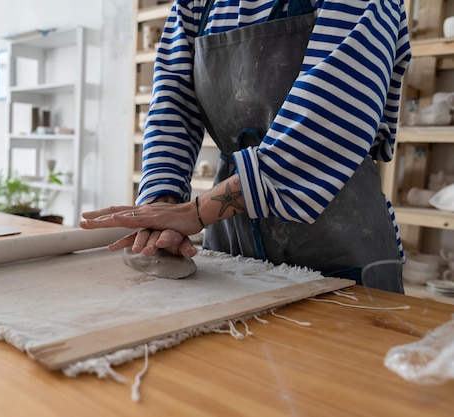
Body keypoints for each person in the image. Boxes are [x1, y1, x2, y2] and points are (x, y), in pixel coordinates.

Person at [80, 0, 411, 294]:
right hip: (231, 243)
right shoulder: (194, 5)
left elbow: (330, 117)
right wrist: (160, 206)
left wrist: (195, 212)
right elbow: (173, 107)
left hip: (340, 243)